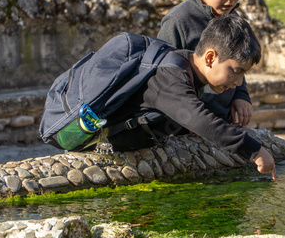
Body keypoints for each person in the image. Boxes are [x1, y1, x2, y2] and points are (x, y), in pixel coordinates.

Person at [108, 14, 276, 179]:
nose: (239, 82)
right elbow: (201, 121)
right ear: (210, 58)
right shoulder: (171, 76)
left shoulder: (186, 66)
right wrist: (255, 150)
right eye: (236, 71)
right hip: (106, 146)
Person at [157, 0, 253, 129]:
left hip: (223, 122)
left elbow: (238, 65)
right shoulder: (177, 22)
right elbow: (164, 80)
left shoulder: (234, 20)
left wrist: (241, 95)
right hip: (185, 126)